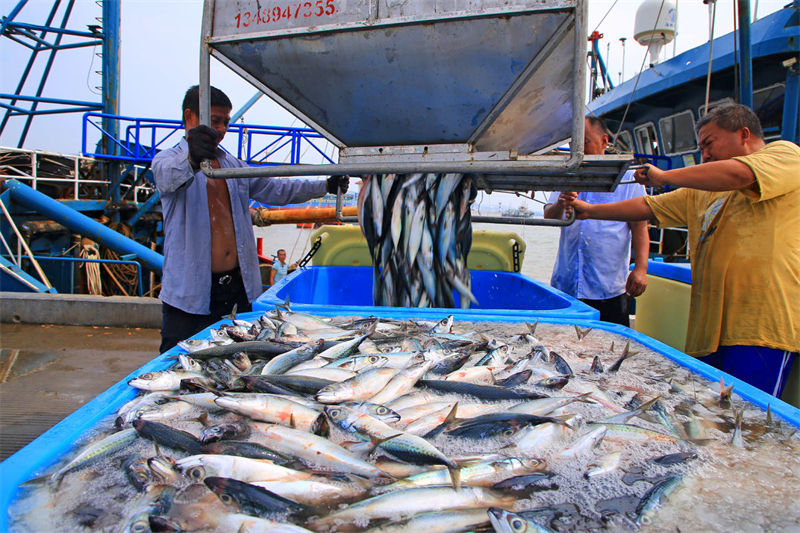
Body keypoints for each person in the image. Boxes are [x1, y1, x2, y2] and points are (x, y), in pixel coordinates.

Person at [565, 103, 799, 397]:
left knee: (747, 418)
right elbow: (648, 207)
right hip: (709, 332)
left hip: (760, 327)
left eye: (709, 143)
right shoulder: (702, 190)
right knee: (710, 418)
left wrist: (664, 177)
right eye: (701, 148)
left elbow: (741, 175)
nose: (706, 155)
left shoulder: (785, 155)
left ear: (743, 134)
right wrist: (589, 211)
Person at [152, 85, 349, 353]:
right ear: (190, 118)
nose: (221, 129)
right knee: (178, 361)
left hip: (237, 290)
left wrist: (325, 185)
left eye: (226, 122)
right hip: (189, 295)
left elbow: (277, 189)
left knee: (244, 360)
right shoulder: (168, 160)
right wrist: (192, 158)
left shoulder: (234, 166)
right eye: (214, 121)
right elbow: (167, 178)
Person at [543, 116, 649, 326]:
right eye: (573, 144)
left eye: (584, 143)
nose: (578, 150)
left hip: (608, 286)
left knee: (610, 346)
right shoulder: (567, 175)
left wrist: (641, 268)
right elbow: (549, 216)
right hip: (567, 283)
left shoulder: (627, 179)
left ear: (604, 141)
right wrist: (561, 201)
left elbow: (639, 227)